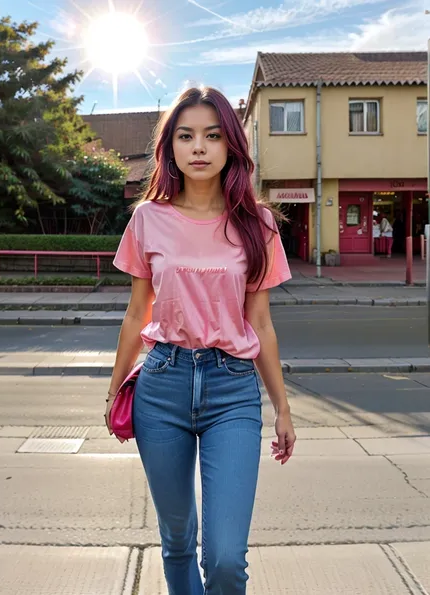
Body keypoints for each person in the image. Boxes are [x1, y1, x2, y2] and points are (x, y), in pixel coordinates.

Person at [105, 87, 296, 595]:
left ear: (232, 144)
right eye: (186, 136)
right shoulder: (148, 218)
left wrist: (282, 407)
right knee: (177, 539)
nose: (199, 147)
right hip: (161, 386)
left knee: (227, 557)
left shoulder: (256, 223)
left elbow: (262, 322)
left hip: (232, 391)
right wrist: (112, 391)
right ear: (169, 148)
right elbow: (134, 314)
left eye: (212, 136)